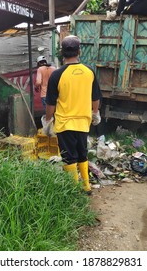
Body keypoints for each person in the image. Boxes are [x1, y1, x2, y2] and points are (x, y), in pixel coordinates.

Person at [41, 35, 102, 194]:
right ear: (79, 51)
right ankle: (86, 187)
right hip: (83, 122)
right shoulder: (89, 72)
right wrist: (95, 114)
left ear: (62, 53)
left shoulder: (57, 74)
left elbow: (50, 103)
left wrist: (48, 122)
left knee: (69, 157)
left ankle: (75, 189)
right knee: (82, 154)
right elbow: (95, 97)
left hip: (65, 124)